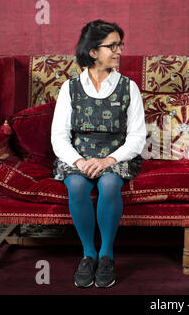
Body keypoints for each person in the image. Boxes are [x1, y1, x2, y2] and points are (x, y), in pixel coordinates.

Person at [51, 20, 146, 288]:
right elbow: (59, 136)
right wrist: (79, 161)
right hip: (77, 155)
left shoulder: (129, 87)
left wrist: (108, 160)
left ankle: (106, 254)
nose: (119, 51)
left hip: (116, 155)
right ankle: (88, 254)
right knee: (78, 185)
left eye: (120, 45)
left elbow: (137, 137)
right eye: (112, 46)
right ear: (93, 51)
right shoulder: (70, 88)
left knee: (108, 182)